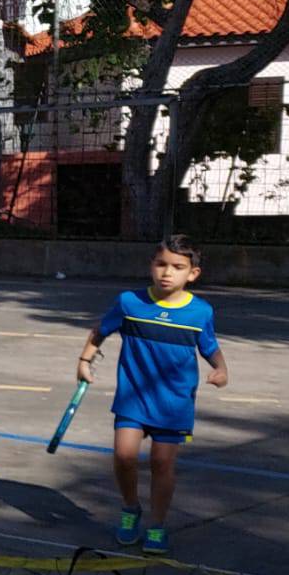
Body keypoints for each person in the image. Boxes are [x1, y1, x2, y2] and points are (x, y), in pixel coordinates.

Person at [76, 235, 229, 556]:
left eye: (177, 267)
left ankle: (157, 525)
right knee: (124, 455)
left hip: (174, 403)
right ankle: (131, 508)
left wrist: (220, 368)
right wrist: (84, 361)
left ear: (193, 274)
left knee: (162, 462)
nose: (167, 273)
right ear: (151, 266)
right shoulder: (129, 302)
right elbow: (101, 330)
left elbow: (210, 346)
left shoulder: (200, 312)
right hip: (133, 396)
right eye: (161, 264)